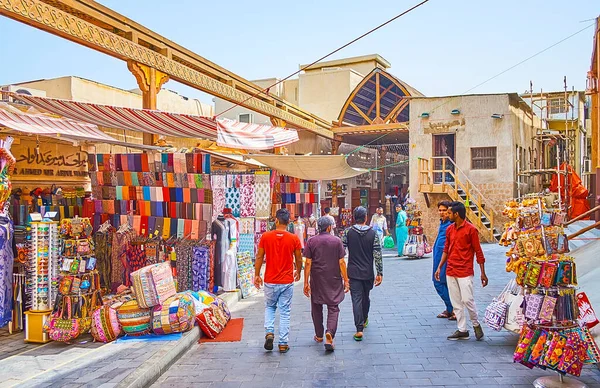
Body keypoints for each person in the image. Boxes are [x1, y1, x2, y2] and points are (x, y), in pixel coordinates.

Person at [435, 202, 488, 341]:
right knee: (456, 302)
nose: (447, 214)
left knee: (467, 300)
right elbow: (446, 249)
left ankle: (476, 324)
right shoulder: (450, 230)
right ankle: (462, 329)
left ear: (456, 214)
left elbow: (478, 252)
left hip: (465, 270)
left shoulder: (471, 230)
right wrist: (440, 266)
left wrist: (483, 273)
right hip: (451, 269)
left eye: (449, 212)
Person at [254, 208, 303, 353]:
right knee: (285, 311)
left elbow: (259, 257)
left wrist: (257, 274)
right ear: (289, 222)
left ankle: (269, 332)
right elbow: (299, 258)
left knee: (270, 307)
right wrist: (298, 271)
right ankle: (283, 343)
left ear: (276, 220)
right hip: (286, 281)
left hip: (270, 279)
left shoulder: (265, 237)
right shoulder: (293, 238)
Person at [303, 216, 349, 351]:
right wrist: (346, 279)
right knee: (333, 306)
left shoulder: (312, 241)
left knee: (316, 306)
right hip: (333, 278)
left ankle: (318, 335)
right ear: (329, 227)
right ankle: (330, 332)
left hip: (317, 278)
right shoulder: (336, 241)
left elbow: (308, 263)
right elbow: (341, 262)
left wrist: (306, 282)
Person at [342, 206, 383, 342]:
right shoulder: (373, 234)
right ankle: (364, 319)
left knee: (356, 299)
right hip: (368, 272)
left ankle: (359, 328)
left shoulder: (348, 232)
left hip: (353, 272)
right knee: (366, 297)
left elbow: (341, 253)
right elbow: (377, 254)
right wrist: (380, 272)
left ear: (354, 217)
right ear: (366, 218)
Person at [432, 201, 454, 320]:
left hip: (444, 257)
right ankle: (450, 308)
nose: (441, 213)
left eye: (444, 210)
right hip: (438, 256)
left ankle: (452, 308)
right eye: (440, 210)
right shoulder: (443, 223)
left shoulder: (451, 224)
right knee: (442, 282)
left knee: (439, 281)